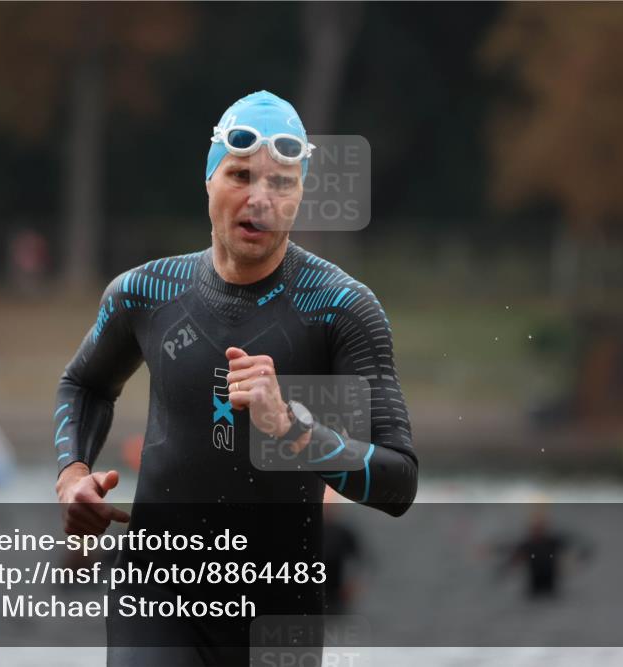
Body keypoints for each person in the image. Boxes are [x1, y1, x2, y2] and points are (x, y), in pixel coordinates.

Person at [54, 90, 417, 666]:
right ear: (208, 180)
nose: (260, 199)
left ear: (301, 196)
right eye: (241, 175)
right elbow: (86, 385)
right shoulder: (145, 293)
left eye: (282, 183)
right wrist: (72, 475)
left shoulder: (341, 308)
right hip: (156, 596)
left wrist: (293, 430)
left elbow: (400, 482)